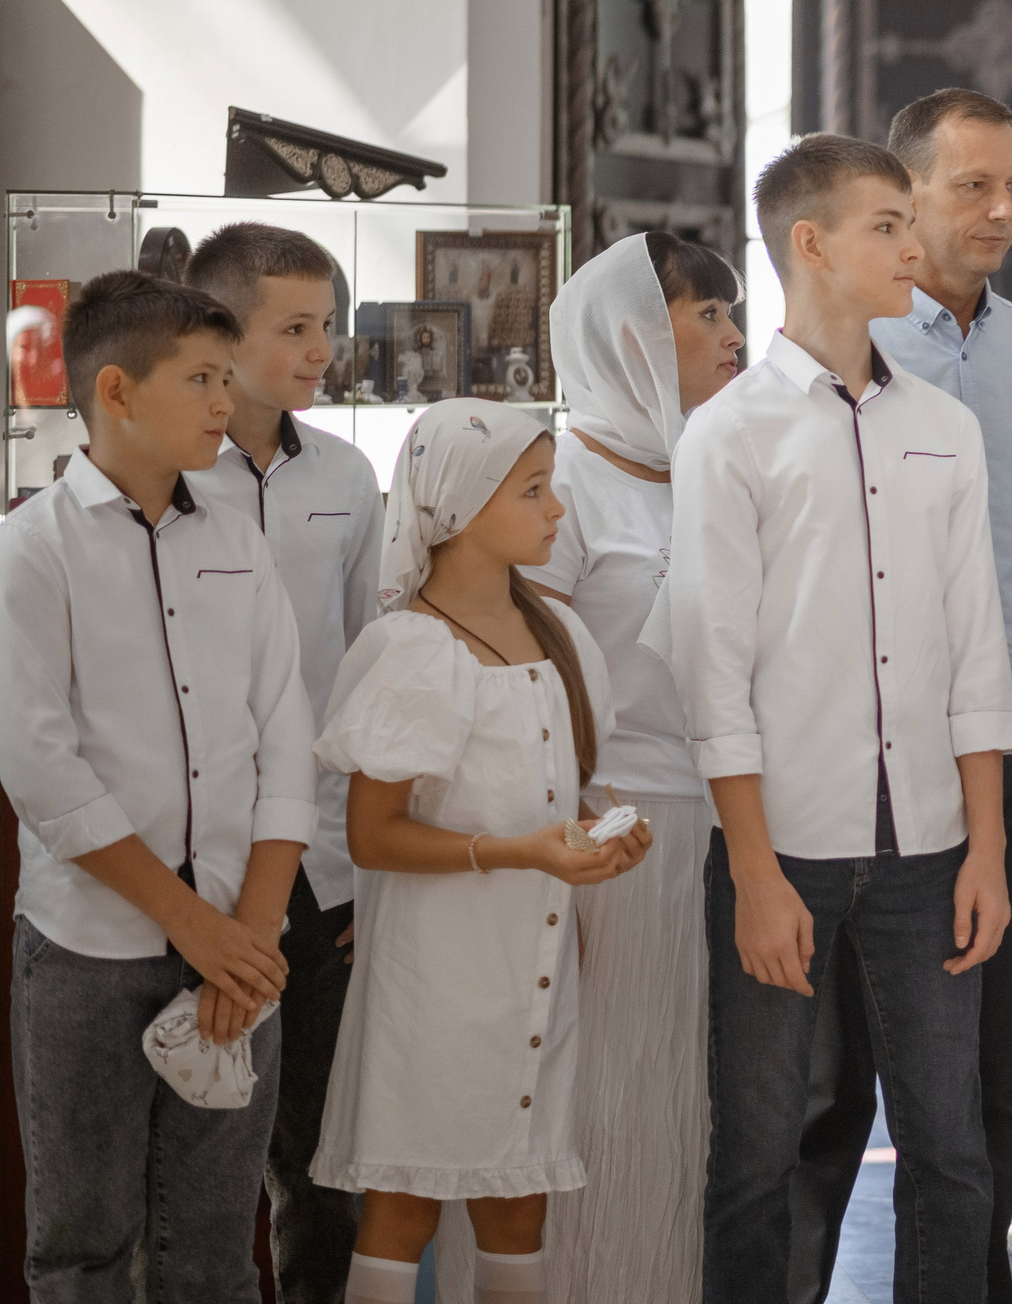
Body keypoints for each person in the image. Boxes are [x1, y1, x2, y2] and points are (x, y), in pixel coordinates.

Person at [672, 134, 1012, 1304]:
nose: (912, 244)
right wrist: (757, 874)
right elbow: (711, 674)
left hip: (931, 851)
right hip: (784, 854)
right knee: (758, 1158)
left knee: (955, 1156)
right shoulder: (727, 437)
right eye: (886, 225)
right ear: (809, 244)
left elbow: (978, 650)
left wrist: (988, 846)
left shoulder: (947, 428)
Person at [781, 89, 1012, 1301]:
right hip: (860, 739)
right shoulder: (843, 356)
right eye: (974, 184)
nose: (1002, 209)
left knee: (982, 1068)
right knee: (826, 1082)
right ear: (902, 197)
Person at [0, 272, 316, 1302]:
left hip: (241, 944)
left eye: (227, 377)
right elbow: (43, 773)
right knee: (83, 1247)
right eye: (201, 379)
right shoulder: (28, 551)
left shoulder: (237, 538)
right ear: (117, 392)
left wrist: (252, 934)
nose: (227, 402)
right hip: (91, 947)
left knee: (217, 1246)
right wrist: (194, 927)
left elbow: (284, 735)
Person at [313, 400, 651, 1304]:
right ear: (460, 509)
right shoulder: (411, 650)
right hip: (435, 975)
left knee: (518, 1205)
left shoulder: (556, 635)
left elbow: (553, 785)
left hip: (534, 963)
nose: (557, 510)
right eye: (534, 490)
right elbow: (371, 833)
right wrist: (523, 851)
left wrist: (600, 829)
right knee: (405, 1200)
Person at [527, 230, 743, 1303]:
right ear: (630, 336)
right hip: (600, 832)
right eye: (706, 314)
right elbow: (524, 679)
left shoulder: (706, 465)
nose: (732, 336)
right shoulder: (556, 481)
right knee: (595, 1090)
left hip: (712, 821)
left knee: (679, 1099)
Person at [177, 224, 384, 1302]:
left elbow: (366, 671)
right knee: (202, 1133)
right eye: (294, 327)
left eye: (330, 327)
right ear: (222, 330)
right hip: (196, 855)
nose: (321, 349)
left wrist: (361, 863)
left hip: (325, 863)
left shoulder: (350, 476)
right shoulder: (162, 475)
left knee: (318, 1152)